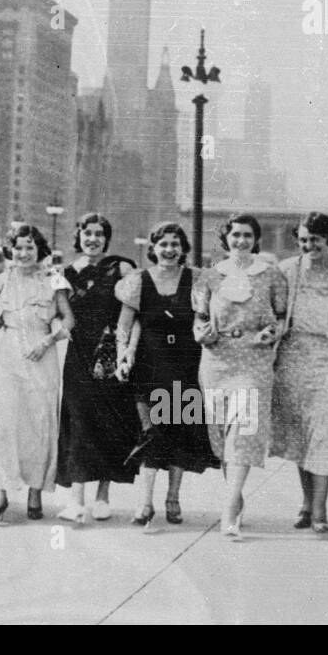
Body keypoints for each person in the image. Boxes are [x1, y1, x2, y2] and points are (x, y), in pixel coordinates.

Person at [192, 213, 289, 541]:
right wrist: (201, 333)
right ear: (226, 238)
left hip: (253, 361)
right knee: (221, 435)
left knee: (244, 433)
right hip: (216, 362)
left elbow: (281, 318)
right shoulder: (209, 276)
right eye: (236, 235)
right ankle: (235, 493)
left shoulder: (271, 275)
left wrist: (271, 333)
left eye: (248, 236)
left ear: (256, 239)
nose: (241, 241)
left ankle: (229, 508)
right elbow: (199, 318)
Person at [116, 222, 218, 529]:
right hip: (149, 368)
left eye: (175, 244)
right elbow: (124, 325)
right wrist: (124, 354)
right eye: (163, 244)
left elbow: (205, 317)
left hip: (185, 367)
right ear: (154, 248)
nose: (169, 250)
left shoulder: (196, 280)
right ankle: (145, 502)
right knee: (152, 431)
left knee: (179, 433)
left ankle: (173, 498)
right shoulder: (138, 282)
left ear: (183, 248)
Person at [270, 212, 328, 533]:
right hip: (294, 358)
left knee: (324, 431)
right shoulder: (285, 271)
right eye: (304, 240)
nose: (310, 245)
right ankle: (306, 503)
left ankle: (321, 507)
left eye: (316, 239)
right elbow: (271, 310)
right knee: (302, 433)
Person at [0, 223, 74, 521]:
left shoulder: (54, 278)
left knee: (39, 424)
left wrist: (48, 341)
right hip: (8, 356)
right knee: (5, 425)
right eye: (18, 248)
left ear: (40, 250)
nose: (23, 253)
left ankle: (35, 492)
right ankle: (2, 492)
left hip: (41, 356)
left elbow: (68, 320)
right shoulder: (1, 280)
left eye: (29, 247)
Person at [55, 213, 137, 523]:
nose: (93, 238)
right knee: (78, 423)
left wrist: (125, 348)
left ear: (106, 238)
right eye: (87, 233)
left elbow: (134, 310)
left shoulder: (122, 268)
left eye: (99, 233)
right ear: (78, 236)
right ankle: (75, 498)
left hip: (109, 355)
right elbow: (54, 313)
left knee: (109, 424)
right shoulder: (62, 273)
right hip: (77, 356)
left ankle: (103, 494)